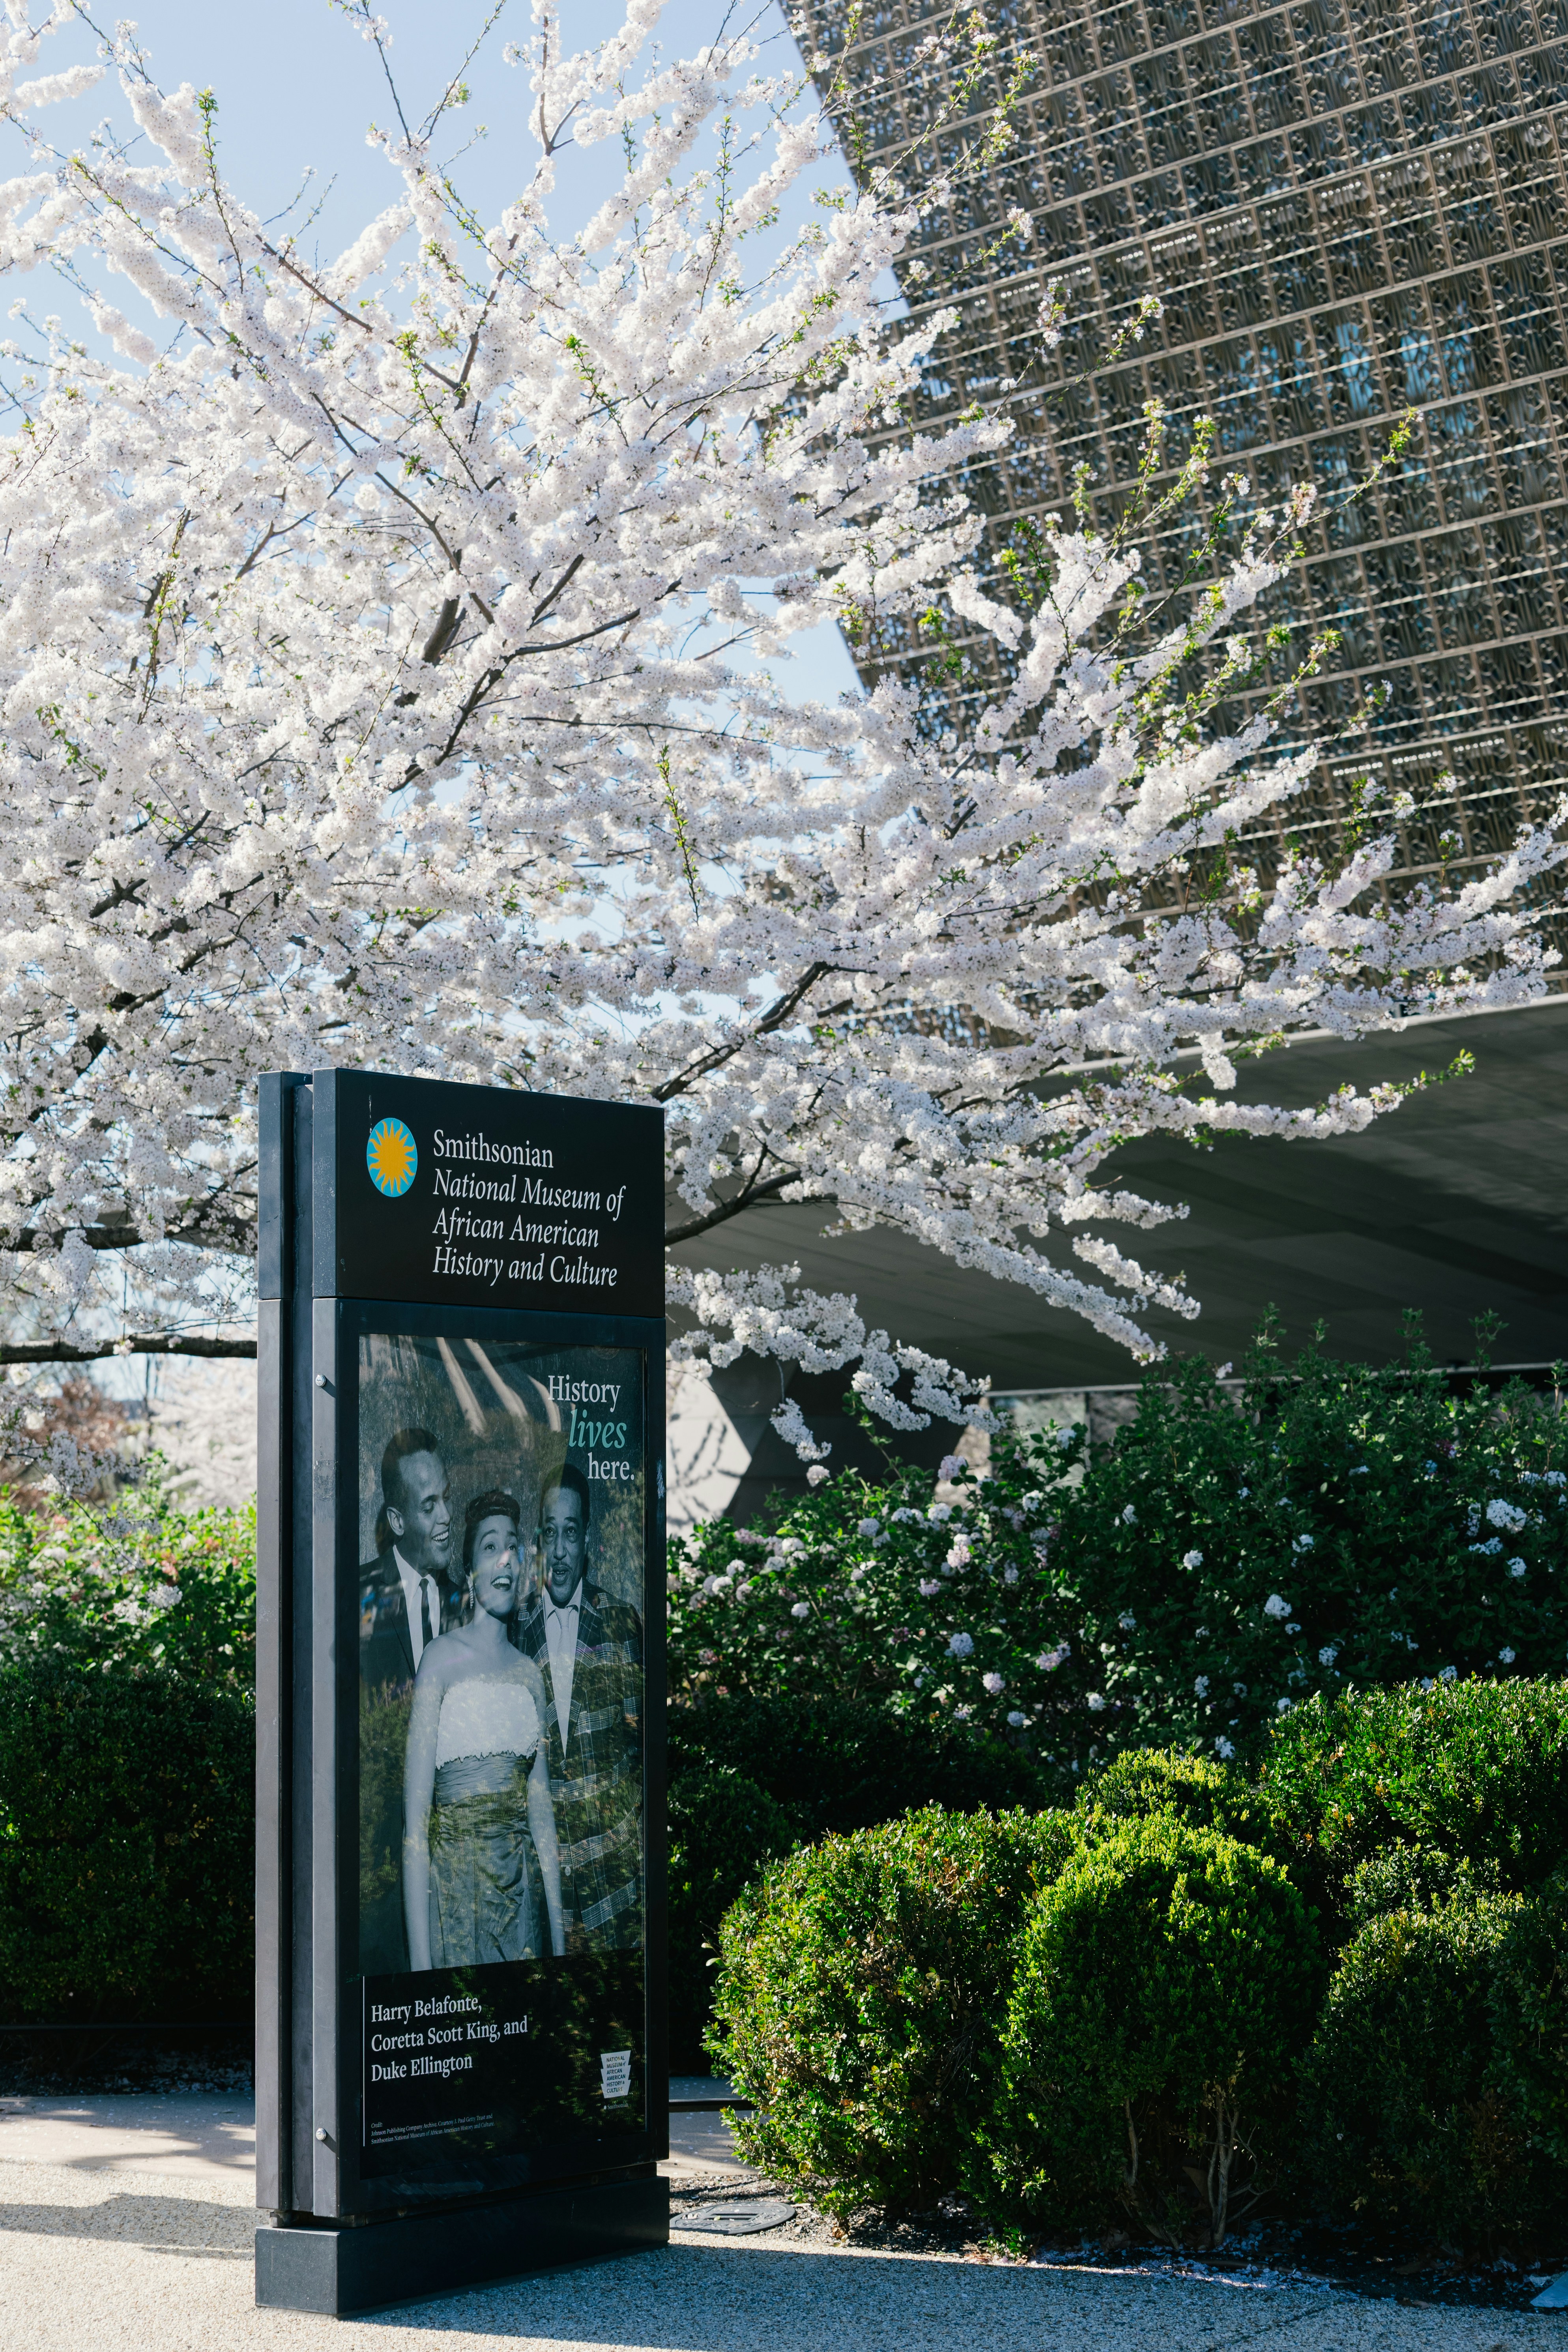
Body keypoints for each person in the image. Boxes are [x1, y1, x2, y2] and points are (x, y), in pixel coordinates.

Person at [401, 1492, 565, 1970]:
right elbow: (414, 1825)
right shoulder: (439, 1660)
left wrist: (559, 1939)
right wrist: (420, 1965)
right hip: (456, 1905)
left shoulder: (529, 1676)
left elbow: (542, 1819)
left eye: (513, 1547)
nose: (506, 1560)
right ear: (470, 1571)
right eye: (490, 1547)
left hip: (523, 1911)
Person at [512, 1463, 643, 1952]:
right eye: (551, 1533)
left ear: (586, 1536)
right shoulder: (514, 1628)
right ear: (539, 1540)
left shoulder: (619, 1622)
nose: (561, 1550)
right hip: (542, 1890)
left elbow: (639, 1754)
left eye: (571, 1532)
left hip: (614, 1885)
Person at [358, 1430, 457, 1976]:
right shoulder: (359, 1601)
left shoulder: (467, 1600)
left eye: (446, 1496)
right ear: (397, 1522)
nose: (446, 1515)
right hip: (379, 1864)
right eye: (429, 1505)